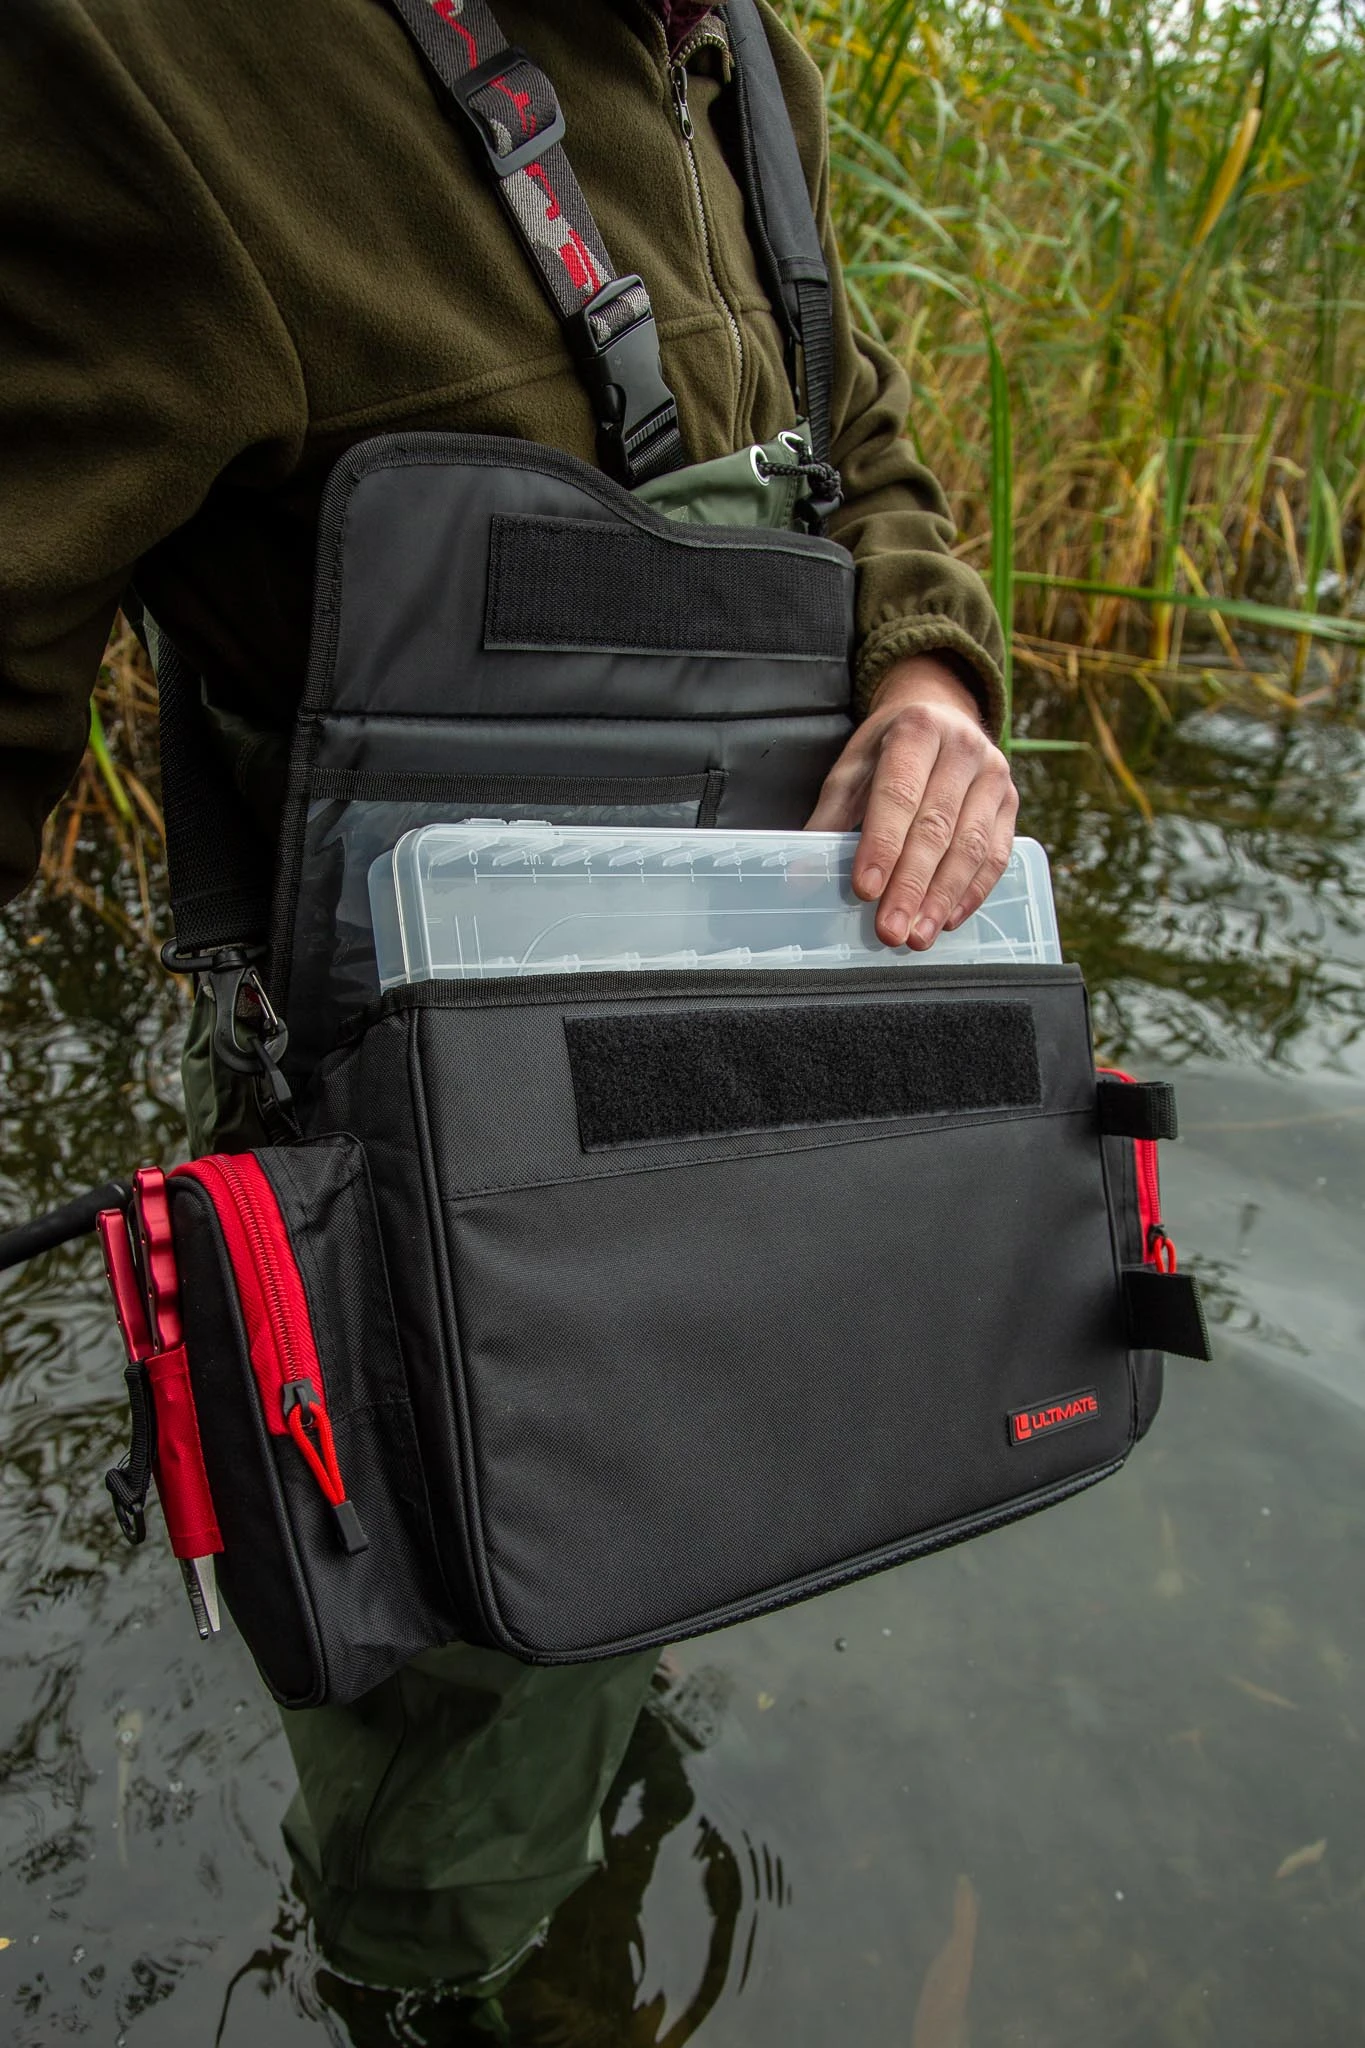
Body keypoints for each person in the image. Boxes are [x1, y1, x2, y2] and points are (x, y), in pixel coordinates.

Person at [0, 0, 1018, 2011]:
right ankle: (429, 1977)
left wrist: (928, 675)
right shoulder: (148, 58)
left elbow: (863, 434)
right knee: (447, 1836)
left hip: (732, 1126)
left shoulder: (742, 59)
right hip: (431, 1208)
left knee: (632, 1576)